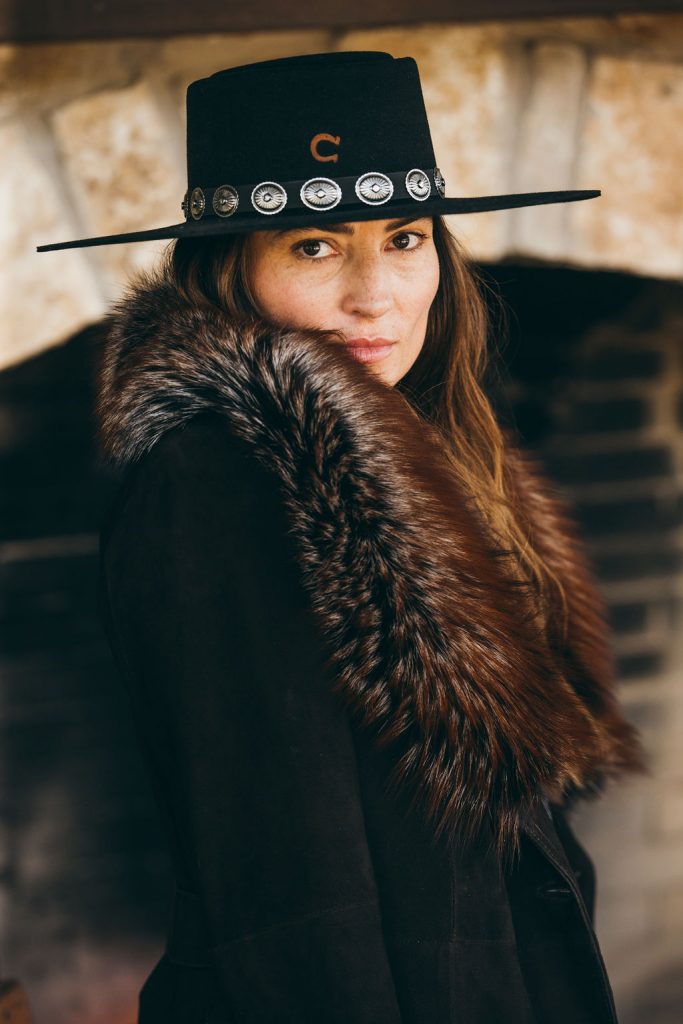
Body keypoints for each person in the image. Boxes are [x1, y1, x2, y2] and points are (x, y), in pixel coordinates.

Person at [38, 50, 648, 1024]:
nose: (376, 295)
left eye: (404, 238)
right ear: (233, 272)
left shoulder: (430, 449)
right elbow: (291, 897)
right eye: (314, 247)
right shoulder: (220, 484)